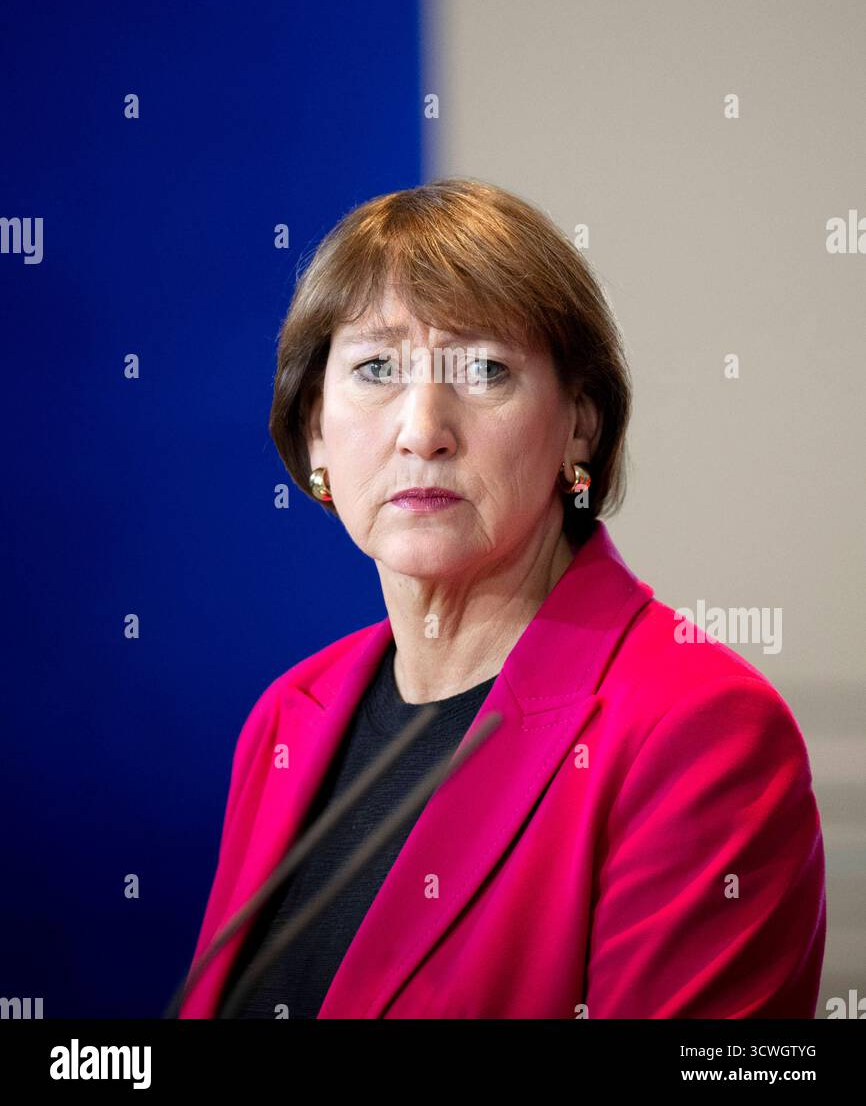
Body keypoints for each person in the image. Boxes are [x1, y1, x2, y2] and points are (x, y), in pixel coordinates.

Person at [177, 176, 826, 1019]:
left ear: (580, 426)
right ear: (313, 432)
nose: (422, 429)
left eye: (484, 368)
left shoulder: (701, 732)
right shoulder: (285, 719)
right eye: (376, 367)